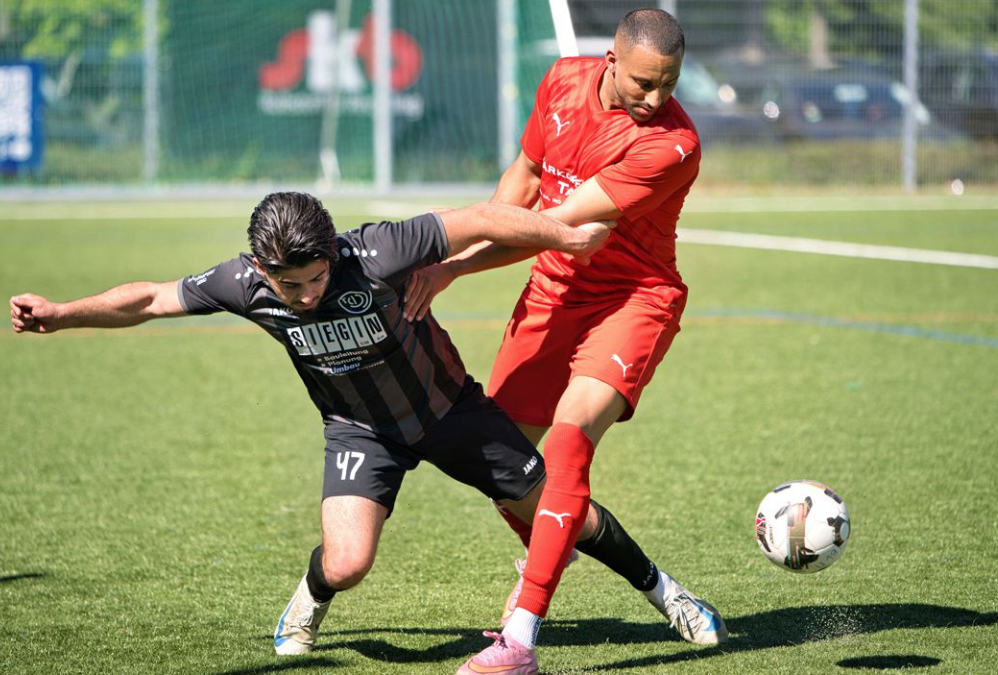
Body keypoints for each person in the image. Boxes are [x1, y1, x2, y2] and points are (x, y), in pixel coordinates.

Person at [8, 191, 622, 656]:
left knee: (555, 507)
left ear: (333, 253)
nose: (303, 296)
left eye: (316, 279)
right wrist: (62, 314)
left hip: (448, 409)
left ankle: (661, 590)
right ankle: (311, 597)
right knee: (348, 563)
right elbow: (150, 299)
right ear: (259, 267)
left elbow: (482, 218)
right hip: (359, 430)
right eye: (288, 285)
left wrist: (566, 236)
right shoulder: (242, 282)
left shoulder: (379, 250)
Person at [402, 10, 727, 674]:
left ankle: (519, 640)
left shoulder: (674, 143)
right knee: (504, 468)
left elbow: (554, 221)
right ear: (611, 58)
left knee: (571, 438)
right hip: (553, 290)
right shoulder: (558, 82)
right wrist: (453, 255)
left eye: (668, 84)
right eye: (642, 82)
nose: (655, 99)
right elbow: (521, 184)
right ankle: (658, 587)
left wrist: (453, 263)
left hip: (633, 298)